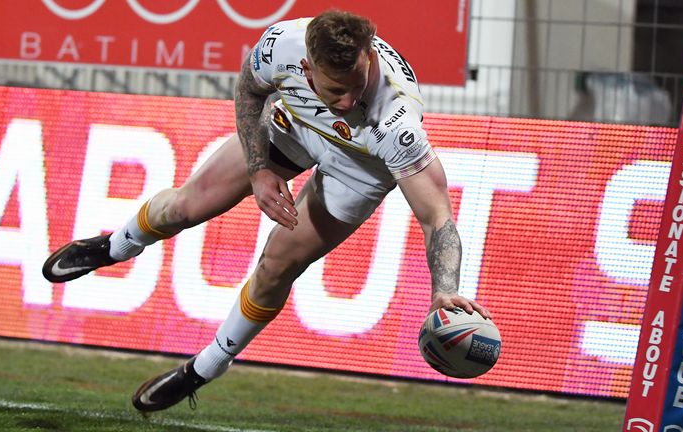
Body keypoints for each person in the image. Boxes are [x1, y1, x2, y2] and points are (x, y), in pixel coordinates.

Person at [42, 9, 491, 413]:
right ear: (309, 67)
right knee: (186, 206)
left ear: (367, 57)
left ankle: (204, 368)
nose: (349, 103)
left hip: (361, 166)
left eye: (356, 87)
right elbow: (249, 91)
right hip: (296, 124)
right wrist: (259, 170)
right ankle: (115, 247)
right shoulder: (281, 46)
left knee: (277, 267)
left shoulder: (396, 122)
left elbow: (438, 219)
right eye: (336, 90)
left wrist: (443, 289)